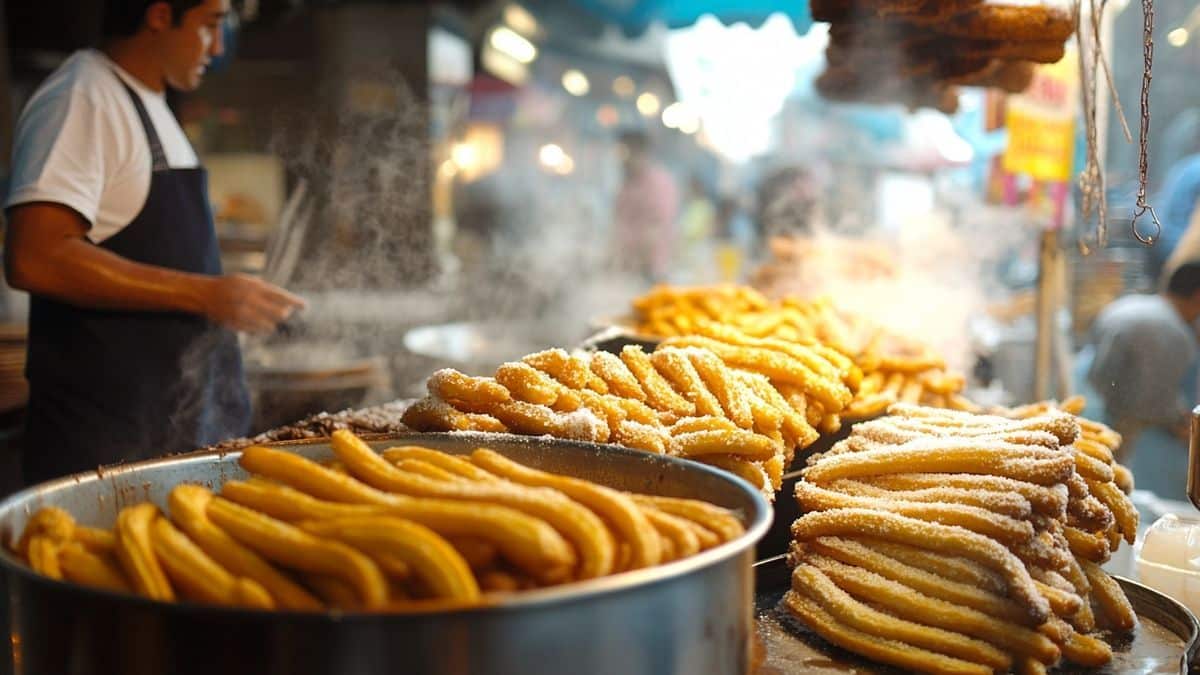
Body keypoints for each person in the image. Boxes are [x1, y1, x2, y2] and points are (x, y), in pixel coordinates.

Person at [3, 0, 305, 485]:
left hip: (167, 437)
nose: (220, 45)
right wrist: (207, 294)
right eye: (211, 23)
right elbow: (35, 256)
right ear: (160, 14)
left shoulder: (146, 102)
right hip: (106, 453)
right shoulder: (84, 97)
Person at [1085, 262, 1200, 499]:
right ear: (1197, 296)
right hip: (1130, 436)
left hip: (1095, 413)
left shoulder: (1126, 306)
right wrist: (1180, 425)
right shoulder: (1176, 334)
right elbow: (1151, 404)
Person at [612, 131, 678, 282]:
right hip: (627, 270)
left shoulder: (659, 183)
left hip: (649, 271)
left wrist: (633, 258)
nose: (623, 160)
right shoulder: (626, 185)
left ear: (641, 152)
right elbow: (618, 222)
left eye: (626, 153)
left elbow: (657, 228)